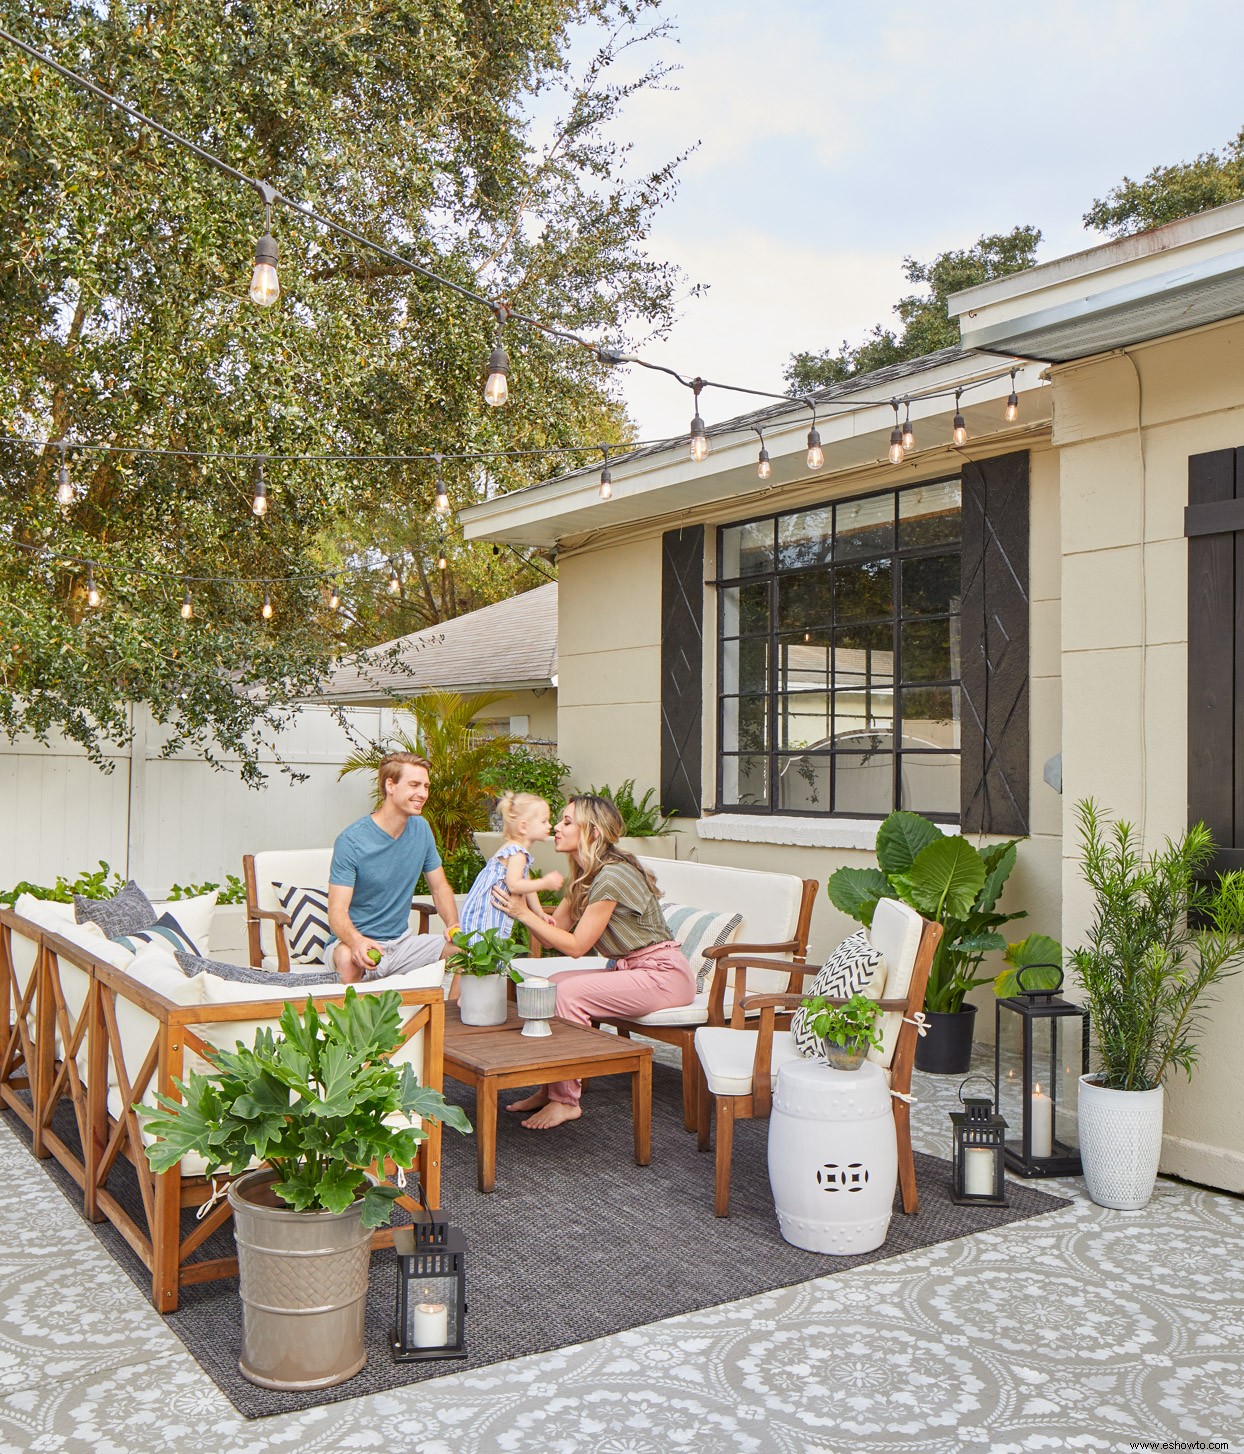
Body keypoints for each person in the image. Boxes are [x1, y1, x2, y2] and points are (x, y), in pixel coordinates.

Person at [492, 793, 694, 1130]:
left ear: (593, 833)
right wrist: (525, 905)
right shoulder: (585, 877)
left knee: (569, 993)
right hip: (632, 970)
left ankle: (566, 1101)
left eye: (567, 822)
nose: (556, 827)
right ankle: (550, 1086)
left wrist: (523, 915)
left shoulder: (611, 876)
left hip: (663, 974)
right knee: (551, 983)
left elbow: (575, 946)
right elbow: (554, 932)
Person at [326, 751, 459, 983]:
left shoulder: (421, 830)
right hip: (355, 943)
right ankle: (352, 1019)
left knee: (465, 950)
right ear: (390, 785)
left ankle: (448, 1018)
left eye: (426, 786)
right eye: (414, 785)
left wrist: (453, 925)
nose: (423, 794)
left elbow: (439, 888)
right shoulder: (351, 841)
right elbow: (337, 912)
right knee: (348, 959)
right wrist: (357, 941)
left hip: (402, 943)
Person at [455, 792, 564, 944]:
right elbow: (514, 885)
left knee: (491, 952)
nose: (549, 825)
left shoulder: (518, 851)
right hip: (483, 916)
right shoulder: (517, 852)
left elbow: (525, 881)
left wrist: (539, 912)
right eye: (544, 821)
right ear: (523, 826)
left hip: (487, 913)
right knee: (485, 953)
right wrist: (545, 883)